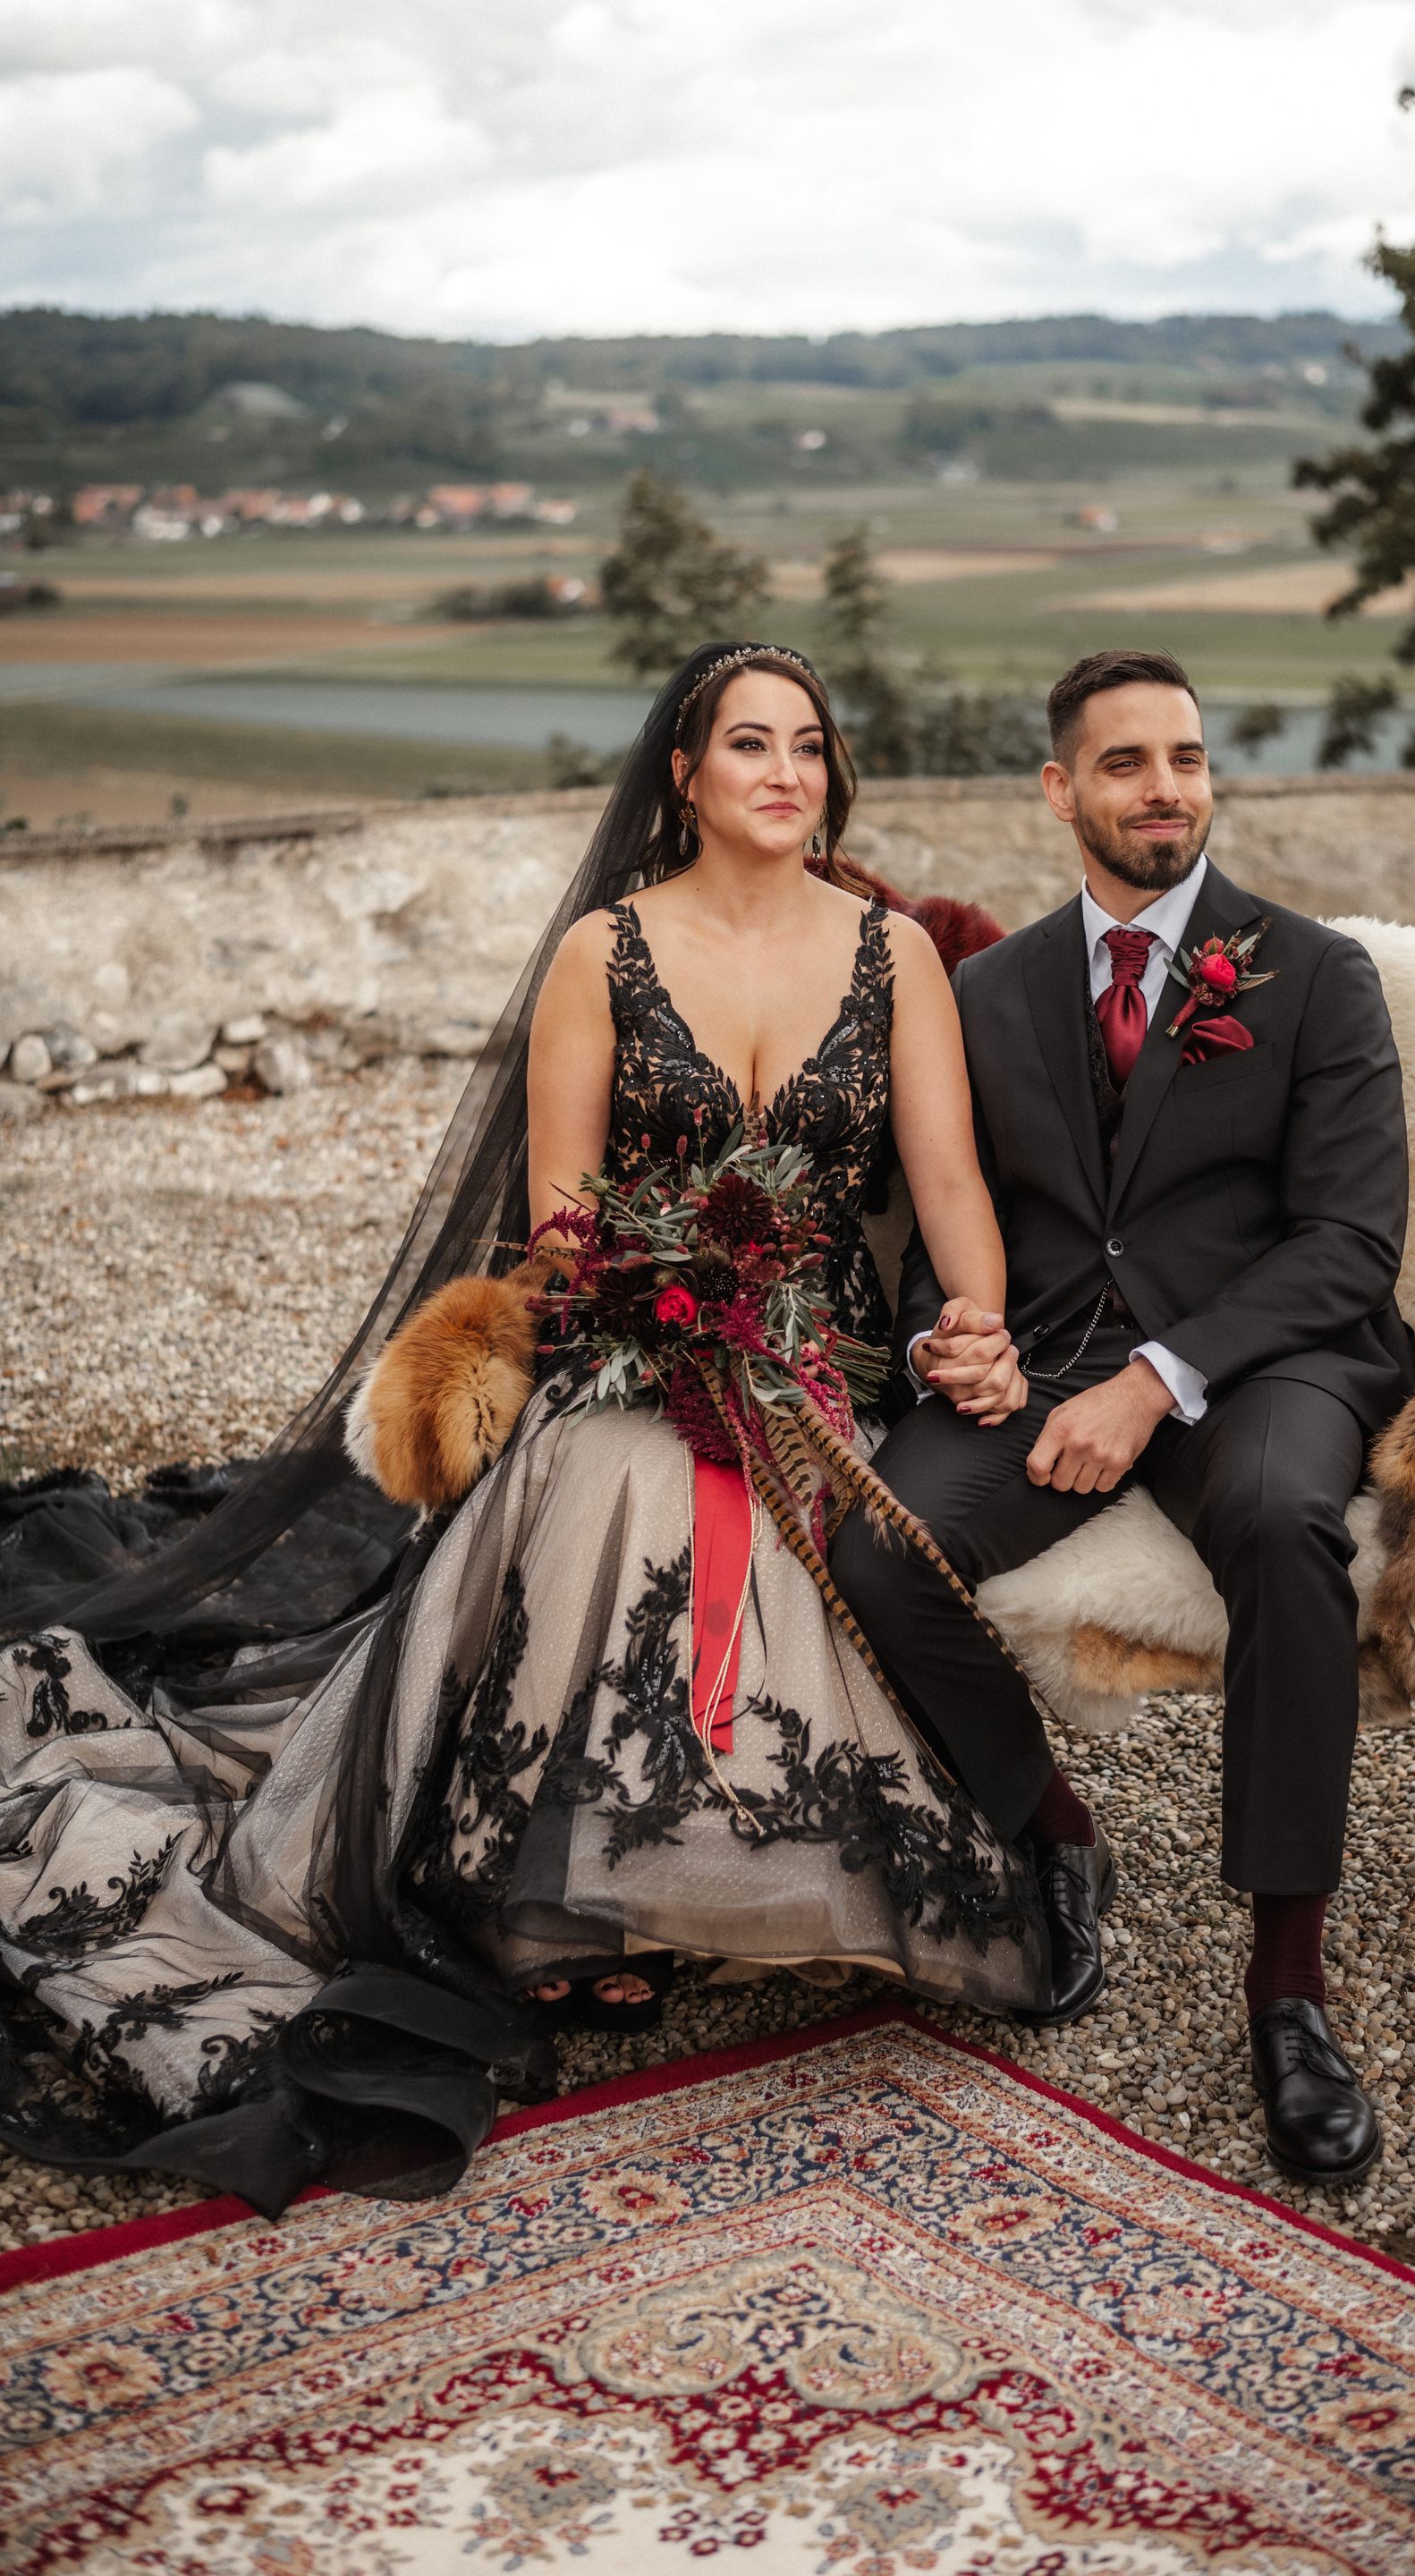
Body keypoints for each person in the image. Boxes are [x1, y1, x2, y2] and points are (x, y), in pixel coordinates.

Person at [0, 642, 1049, 2218]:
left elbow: (948, 1178)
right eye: (749, 743)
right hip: (637, 1336)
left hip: (822, 1358)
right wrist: (666, 1301)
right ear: (683, 774)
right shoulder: (603, 954)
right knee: (621, 1476)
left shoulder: (894, 954)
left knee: (799, 1512)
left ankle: (729, 1856)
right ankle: (583, 1894)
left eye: (809, 746)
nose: (786, 771)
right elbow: (561, 1214)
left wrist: (977, 1323)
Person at [829, 648, 1415, 2186]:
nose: (1166, 789)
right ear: (1060, 789)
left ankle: (1287, 1987)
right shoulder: (983, 992)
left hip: (1266, 1356)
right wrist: (950, 1342)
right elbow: (951, 1218)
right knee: (880, 1542)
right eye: (1127, 762)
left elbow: (1350, 1244)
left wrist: (1158, 1381)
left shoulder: (1314, 973)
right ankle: (1054, 1832)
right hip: (1045, 1356)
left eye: (1188, 759)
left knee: (1285, 1526)